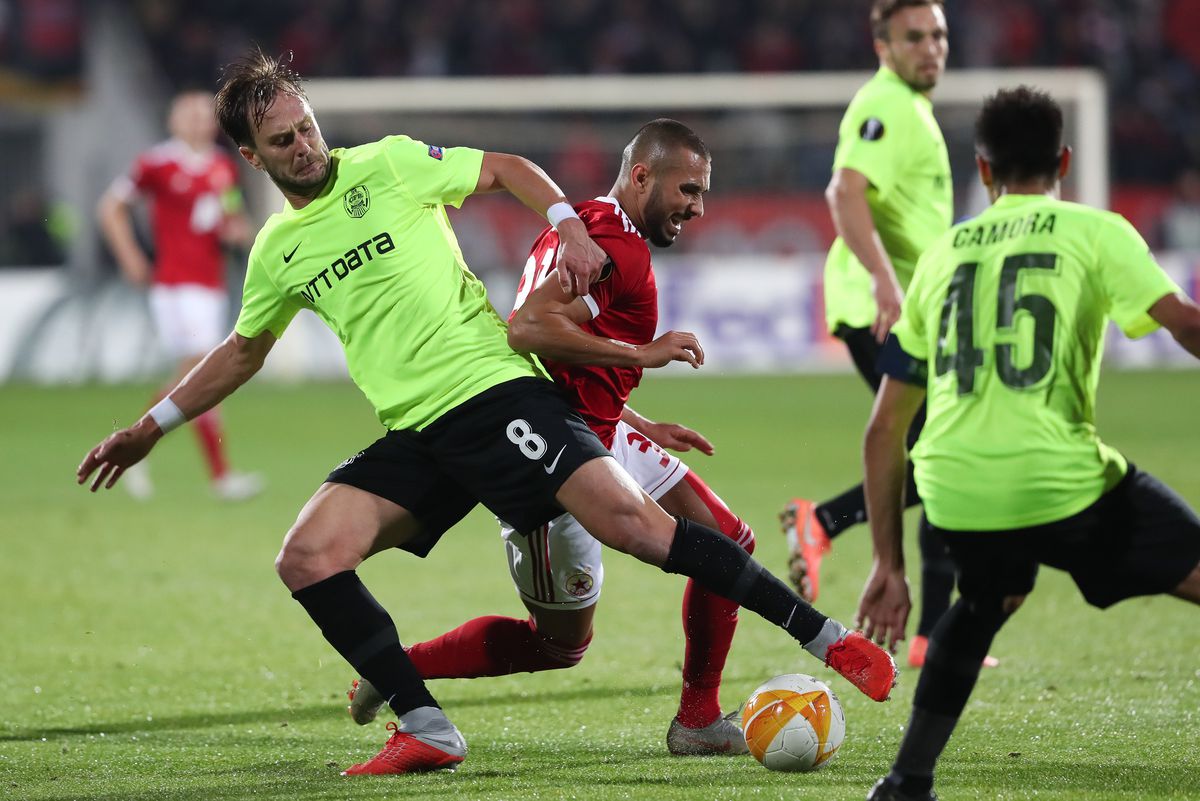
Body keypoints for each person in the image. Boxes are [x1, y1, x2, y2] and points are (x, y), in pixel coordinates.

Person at [77, 50, 897, 778]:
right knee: (308, 554)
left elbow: (505, 167)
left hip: (495, 395)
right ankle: (425, 725)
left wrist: (567, 225)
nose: (306, 146)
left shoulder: (389, 165)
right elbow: (242, 351)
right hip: (418, 434)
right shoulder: (276, 252)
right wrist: (150, 427)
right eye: (284, 141)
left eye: (308, 126)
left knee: (636, 528)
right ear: (253, 157)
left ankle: (826, 638)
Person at [346, 119, 755, 757]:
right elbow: (529, 331)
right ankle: (397, 667)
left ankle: (697, 719)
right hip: (552, 456)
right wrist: (642, 354)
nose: (698, 208)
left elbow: (561, 353)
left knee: (728, 541)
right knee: (558, 646)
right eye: (689, 190)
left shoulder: (590, 225)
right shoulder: (607, 246)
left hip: (603, 432)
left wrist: (636, 421)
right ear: (642, 176)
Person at [856, 86, 1200, 801]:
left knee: (987, 596)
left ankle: (906, 780)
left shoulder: (943, 255)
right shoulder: (1096, 232)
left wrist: (889, 563)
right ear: (1064, 160)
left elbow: (885, 426)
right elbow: (1187, 325)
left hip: (955, 493)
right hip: (1059, 481)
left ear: (983, 170)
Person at [780, 0, 980, 670]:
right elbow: (844, 193)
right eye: (914, 37)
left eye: (938, 35)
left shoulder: (909, 108)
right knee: (943, 455)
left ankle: (924, 626)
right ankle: (929, 629)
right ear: (883, 46)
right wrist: (886, 282)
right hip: (884, 309)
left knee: (938, 455)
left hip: (906, 308)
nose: (931, 47)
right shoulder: (886, 105)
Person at [97, 90, 262, 502]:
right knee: (201, 373)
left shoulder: (223, 166)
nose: (198, 122)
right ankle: (217, 476)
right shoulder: (156, 163)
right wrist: (130, 256)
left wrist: (239, 231)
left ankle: (133, 446)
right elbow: (111, 208)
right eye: (189, 115)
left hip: (210, 285)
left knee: (195, 378)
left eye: (204, 115)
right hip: (174, 285)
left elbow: (232, 216)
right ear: (173, 121)